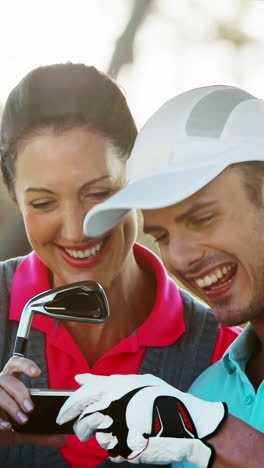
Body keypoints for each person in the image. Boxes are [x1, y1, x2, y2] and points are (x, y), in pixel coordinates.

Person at [0, 67, 239, 468]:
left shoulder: (223, 351)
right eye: (43, 203)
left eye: (99, 193)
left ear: (137, 178)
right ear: (16, 201)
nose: (77, 231)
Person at [62, 84, 264, 467]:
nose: (181, 257)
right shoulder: (206, 392)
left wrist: (220, 436)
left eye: (202, 218)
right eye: (162, 236)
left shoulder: (202, 416)